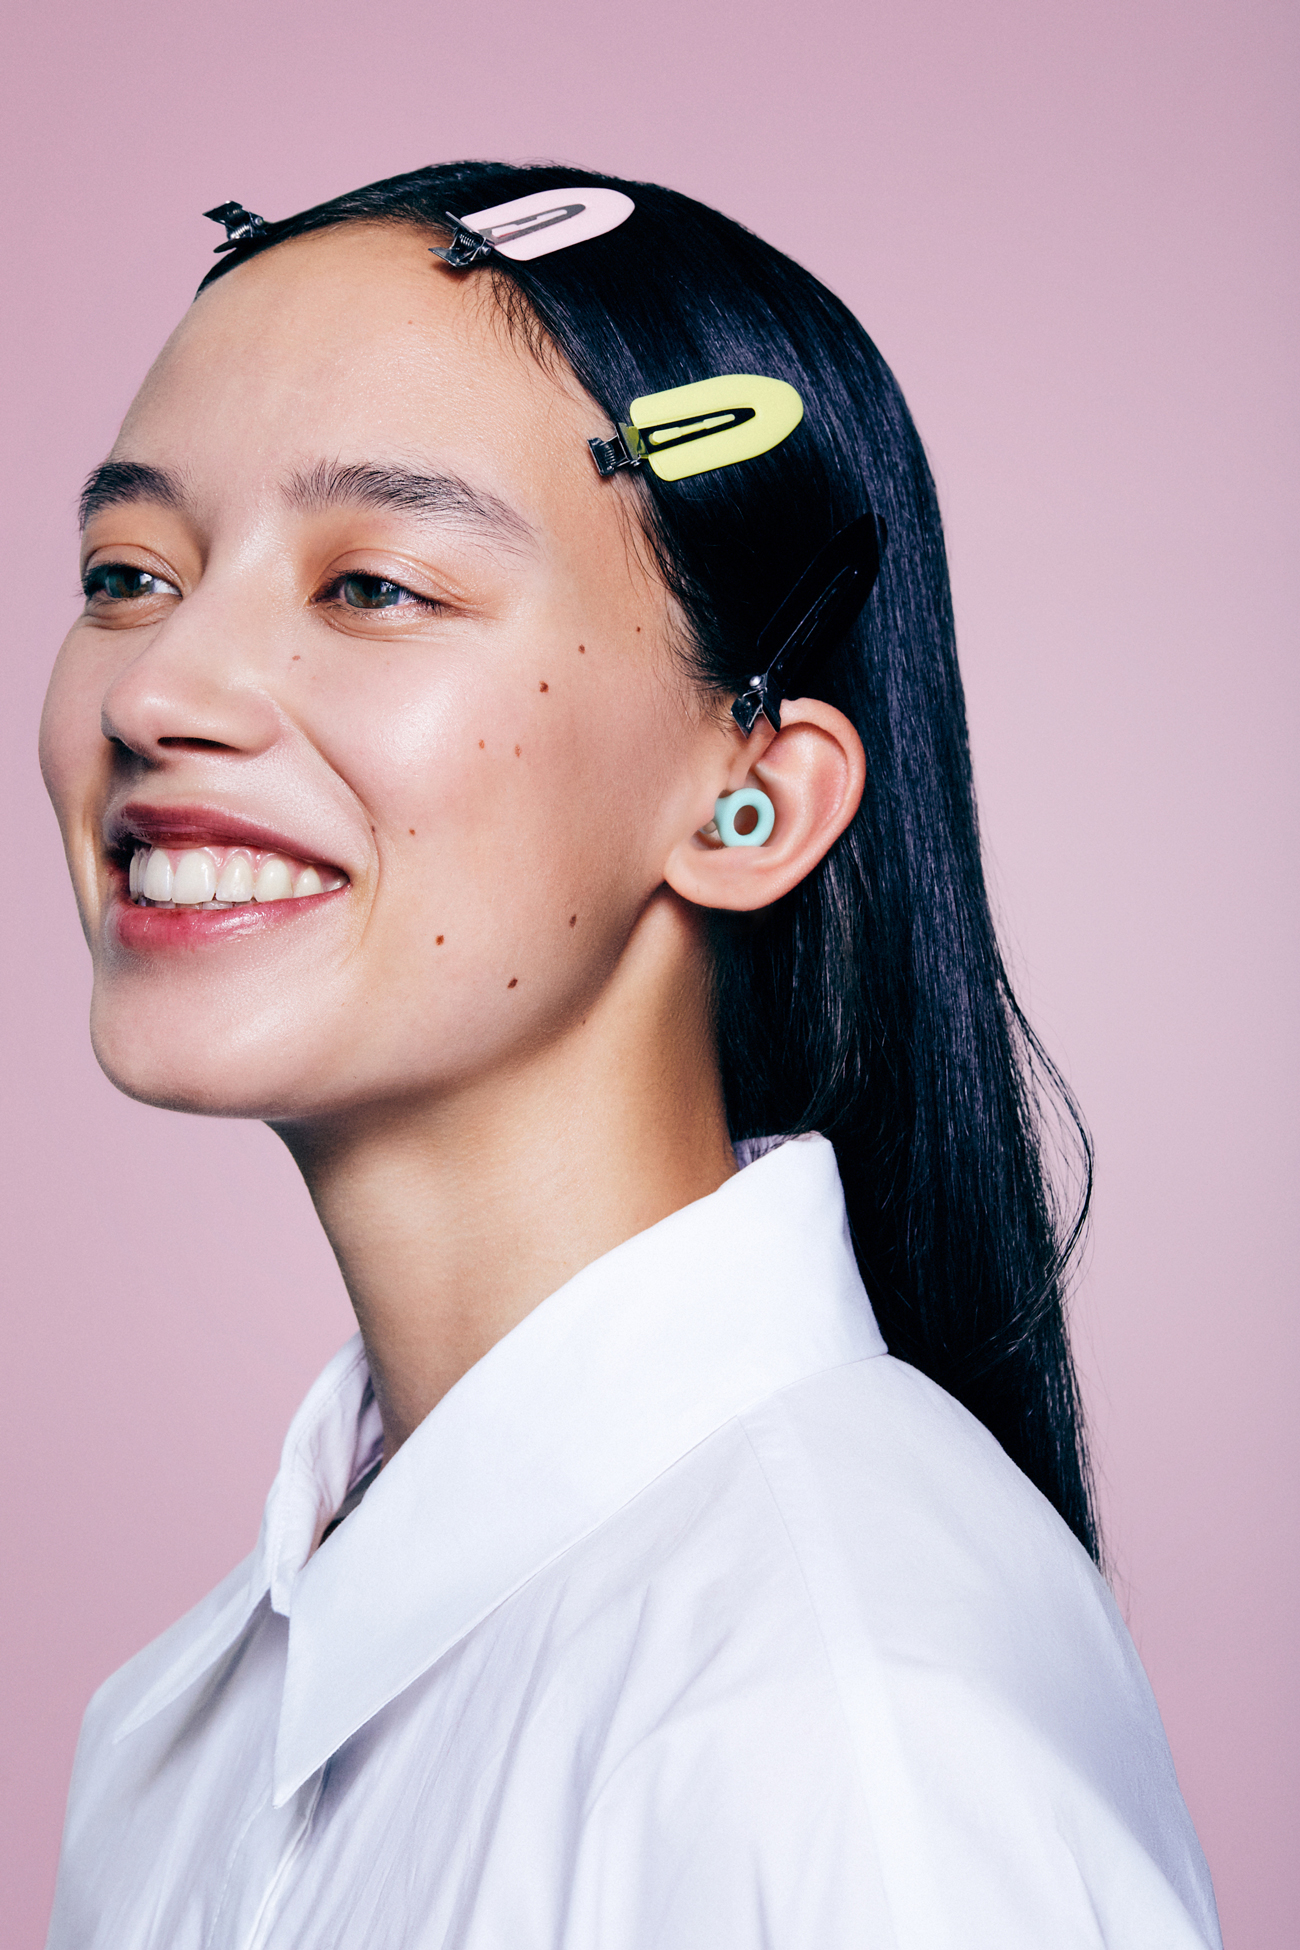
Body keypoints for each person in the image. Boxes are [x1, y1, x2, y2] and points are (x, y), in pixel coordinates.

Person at [40, 162, 1221, 1948]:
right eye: (130, 574)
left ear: (753, 801)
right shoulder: (169, 1738)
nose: (154, 692)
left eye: (374, 585)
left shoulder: (848, 1737)